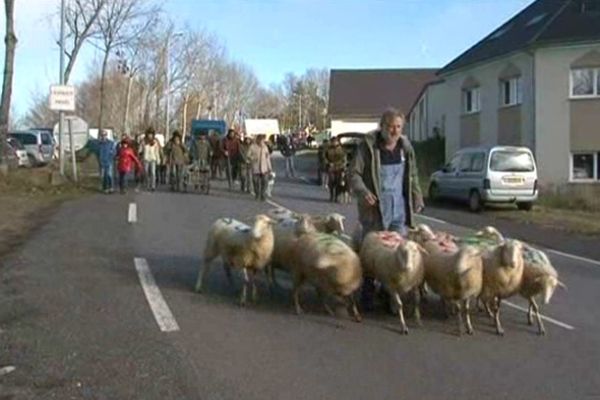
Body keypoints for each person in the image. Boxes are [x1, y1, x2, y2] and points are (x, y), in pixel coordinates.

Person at [350, 108, 424, 311]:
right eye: (390, 126)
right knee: (372, 251)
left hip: (399, 207)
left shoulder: (405, 148)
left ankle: (389, 293)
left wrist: (417, 194)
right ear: (381, 126)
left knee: (396, 252)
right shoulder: (368, 147)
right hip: (375, 208)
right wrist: (363, 191)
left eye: (398, 126)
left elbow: (413, 174)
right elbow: (354, 174)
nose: (394, 130)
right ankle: (366, 292)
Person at [248, 134, 272, 201]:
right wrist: (253, 158)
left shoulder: (265, 147)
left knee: (265, 182)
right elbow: (248, 155)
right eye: (261, 140)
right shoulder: (253, 147)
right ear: (258, 140)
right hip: (256, 167)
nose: (262, 141)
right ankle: (257, 193)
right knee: (255, 182)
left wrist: (269, 167)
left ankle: (262, 194)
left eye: (263, 140)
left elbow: (268, 158)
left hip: (264, 168)